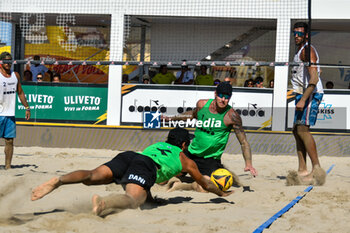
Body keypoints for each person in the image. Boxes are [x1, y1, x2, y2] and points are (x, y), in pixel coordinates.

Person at [31, 128, 231, 216]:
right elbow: (205, 184)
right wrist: (222, 193)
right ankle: (104, 203)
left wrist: (152, 200)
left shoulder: (158, 144)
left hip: (129, 156)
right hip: (144, 165)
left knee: (92, 176)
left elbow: (148, 180)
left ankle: (59, 180)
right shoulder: (185, 159)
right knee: (134, 200)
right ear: (184, 144)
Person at [163, 82, 257, 192]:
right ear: (215, 94)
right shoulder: (202, 105)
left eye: (227, 97)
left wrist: (248, 164)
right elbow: (191, 114)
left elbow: (244, 142)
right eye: (221, 96)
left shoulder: (232, 116)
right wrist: (171, 119)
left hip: (209, 159)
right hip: (191, 152)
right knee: (165, 176)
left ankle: (182, 186)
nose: (223, 99)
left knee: (207, 187)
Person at [289, 22, 326, 185]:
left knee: (303, 130)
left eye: (300, 33)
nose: (296, 36)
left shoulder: (307, 50)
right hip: (301, 93)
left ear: (306, 35)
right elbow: (315, 71)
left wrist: (304, 99)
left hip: (311, 94)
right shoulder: (300, 51)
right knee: (296, 131)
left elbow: (314, 78)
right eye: (295, 33)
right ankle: (302, 169)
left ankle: (316, 169)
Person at [0, 52, 31, 169]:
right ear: (1, 62)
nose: (8, 63)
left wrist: (27, 107)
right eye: (5, 61)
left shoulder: (15, 75)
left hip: (9, 113)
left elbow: (20, 92)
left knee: (9, 141)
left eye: (10, 60)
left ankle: (8, 166)